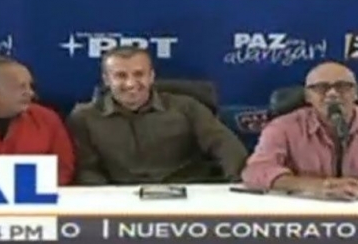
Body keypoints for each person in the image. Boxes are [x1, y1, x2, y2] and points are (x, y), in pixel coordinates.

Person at [241, 61, 358, 200]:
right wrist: (316, 187)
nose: (332, 94)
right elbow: (256, 171)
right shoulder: (282, 126)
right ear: (307, 96)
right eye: (321, 88)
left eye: (342, 86)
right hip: (305, 210)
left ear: (356, 93)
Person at [67, 46, 248, 185]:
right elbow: (86, 168)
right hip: (121, 199)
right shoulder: (84, 117)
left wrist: (239, 183)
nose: (131, 84)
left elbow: (223, 144)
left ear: (151, 76)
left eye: (139, 74)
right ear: (107, 80)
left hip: (187, 193)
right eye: (121, 76)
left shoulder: (187, 107)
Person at [0, 56, 75, 185]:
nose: (30, 93)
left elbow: (63, 169)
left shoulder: (47, 119)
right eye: (20, 87)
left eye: (30, 86)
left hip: (34, 196)